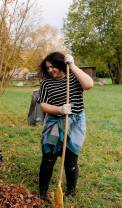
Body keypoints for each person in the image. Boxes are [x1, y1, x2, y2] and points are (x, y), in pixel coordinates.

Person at [37, 52, 93, 200]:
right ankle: (42, 193)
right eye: (47, 68)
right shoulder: (46, 83)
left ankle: (71, 191)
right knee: (48, 158)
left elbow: (89, 85)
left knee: (70, 160)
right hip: (54, 122)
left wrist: (73, 65)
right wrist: (59, 109)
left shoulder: (73, 76)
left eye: (53, 67)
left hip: (75, 123)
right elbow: (43, 105)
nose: (50, 70)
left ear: (60, 64)